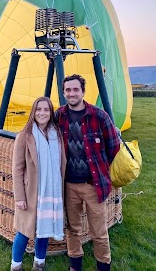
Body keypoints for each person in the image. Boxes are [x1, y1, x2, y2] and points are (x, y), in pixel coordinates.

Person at [55, 74, 120, 271]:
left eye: (76, 89)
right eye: (68, 90)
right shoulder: (59, 115)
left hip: (93, 185)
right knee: (73, 229)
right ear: (64, 92)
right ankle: (75, 265)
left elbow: (113, 146)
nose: (72, 93)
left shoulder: (99, 116)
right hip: (69, 184)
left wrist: (99, 169)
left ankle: (103, 265)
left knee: (98, 231)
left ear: (83, 92)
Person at [11, 97, 67, 271]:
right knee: (24, 232)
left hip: (51, 191)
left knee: (44, 230)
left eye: (46, 110)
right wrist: (19, 197)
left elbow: (61, 164)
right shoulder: (25, 137)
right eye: (39, 109)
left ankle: (39, 263)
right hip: (31, 193)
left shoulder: (56, 136)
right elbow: (17, 169)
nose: (42, 113)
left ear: (51, 113)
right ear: (33, 112)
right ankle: (16, 265)